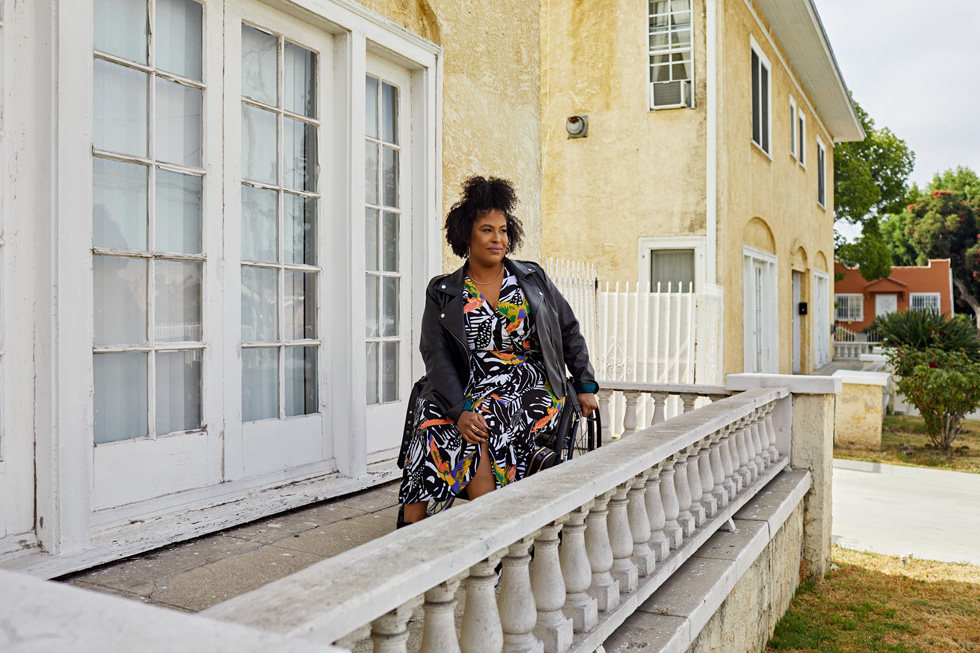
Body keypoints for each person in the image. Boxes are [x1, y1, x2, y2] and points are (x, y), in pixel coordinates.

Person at [397, 176, 599, 526]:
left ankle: (489, 523)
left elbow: (568, 329)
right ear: (467, 235)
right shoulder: (443, 291)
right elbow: (435, 352)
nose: (498, 239)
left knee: (484, 417)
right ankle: (411, 523)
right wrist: (458, 409)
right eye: (487, 230)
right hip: (469, 380)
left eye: (503, 230)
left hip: (529, 381)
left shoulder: (532, 278)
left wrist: (584, 383)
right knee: (430, 411)